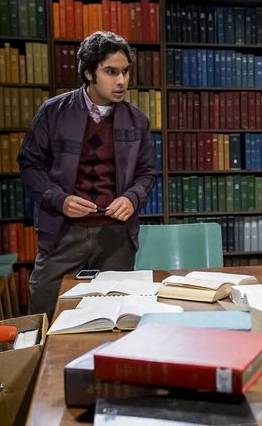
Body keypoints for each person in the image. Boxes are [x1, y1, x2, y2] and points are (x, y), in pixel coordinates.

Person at [18, 31, 157, 320]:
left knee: (115, 317)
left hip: (116, 235)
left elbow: (146, 173)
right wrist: (59, 199)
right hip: (63, 231)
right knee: (43, 314)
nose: (121, 81)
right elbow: (30, 165)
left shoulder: (137, 121)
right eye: (111, 72)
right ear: (88, 73)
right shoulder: (53, 112)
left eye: (125, 72)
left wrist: (132, 198)